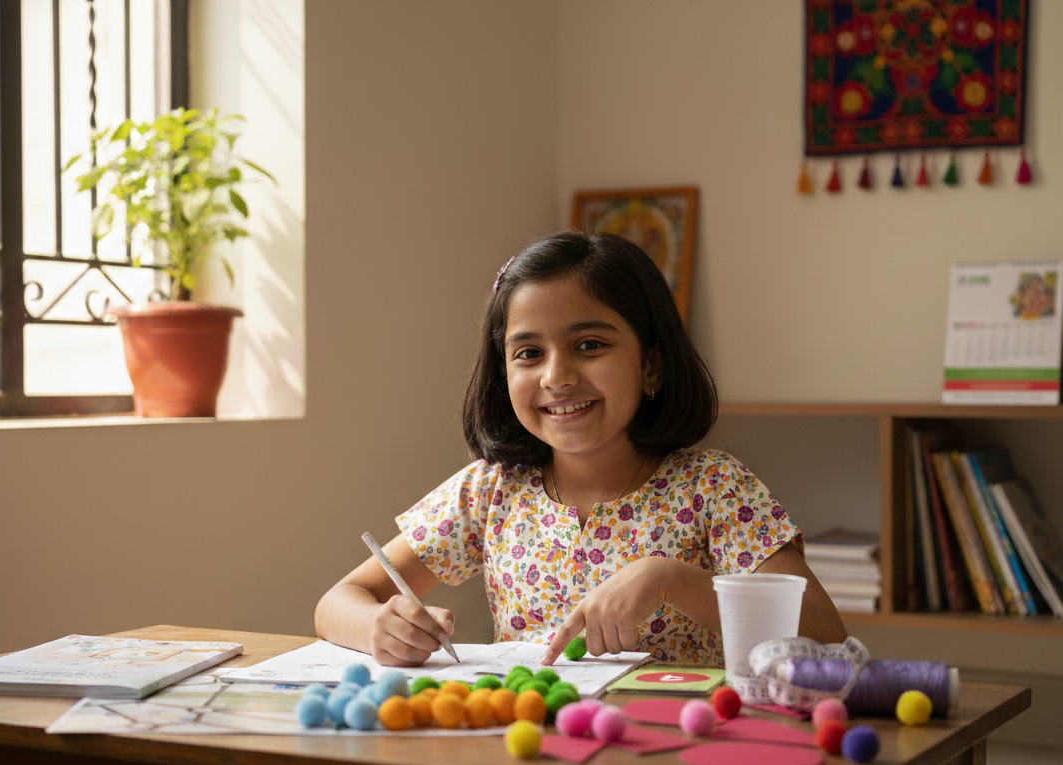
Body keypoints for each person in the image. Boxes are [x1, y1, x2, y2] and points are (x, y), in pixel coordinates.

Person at [314, 230, 846, 670]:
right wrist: (379, 627)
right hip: (525, 755)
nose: (557, 376)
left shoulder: (713, 486)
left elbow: (824, 634)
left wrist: (668, 577)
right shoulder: (491, 489)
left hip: (674, 763)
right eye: (528, 353)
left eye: (589, 345)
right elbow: (337, 602)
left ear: (651, 365)